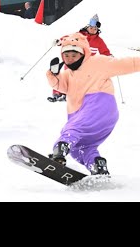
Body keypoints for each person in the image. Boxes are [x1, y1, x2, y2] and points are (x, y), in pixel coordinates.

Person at [46, 32, 140, 175]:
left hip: (99, 104)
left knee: (72, 129)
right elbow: (60, 85)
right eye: (66, 56)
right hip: (94, 116)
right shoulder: (68, 74)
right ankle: (96, 165)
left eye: (74, 55)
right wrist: (53, 75)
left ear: (83, 53)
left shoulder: (98, 62)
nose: (70, 60)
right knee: (80, 147)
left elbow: (128, 63)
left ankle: (59, 151)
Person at [48, 14, 112, 102]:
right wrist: (59, 42)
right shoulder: (80, 35)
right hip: (74, 59)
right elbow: (68, 38)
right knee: (69, 73)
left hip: (87, 62)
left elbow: (104, 51)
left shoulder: (99, 41)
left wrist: (109, 57)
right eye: (91, 28)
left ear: (97, 30)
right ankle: (58, 92)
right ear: (87, 27)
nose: (93, 30)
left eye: (95, 29)